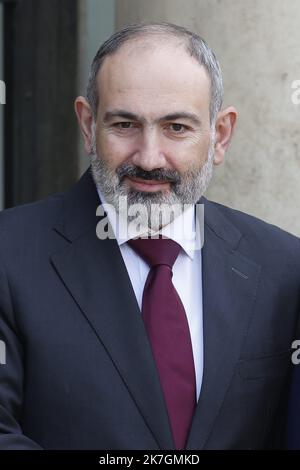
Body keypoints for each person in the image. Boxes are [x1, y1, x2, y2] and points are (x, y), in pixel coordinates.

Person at [0, 22, 299, 451]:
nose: (149, 157)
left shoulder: (285, 268)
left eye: (177, 127)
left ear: (220, 135)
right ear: (88, 126)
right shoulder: (9, 256)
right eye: (125, 124)